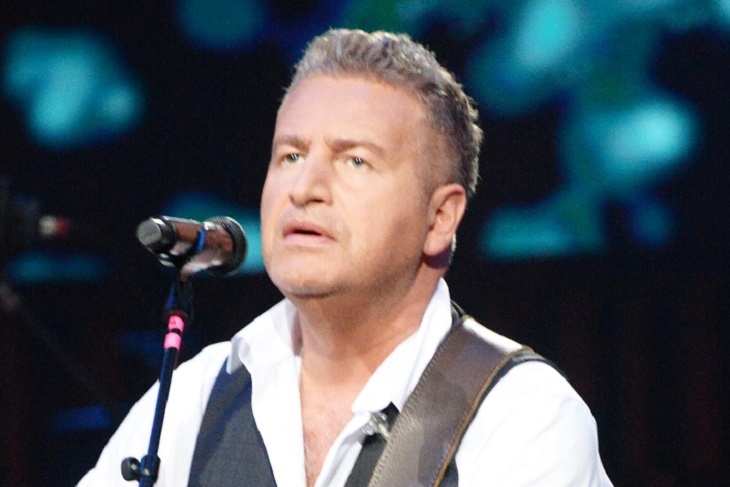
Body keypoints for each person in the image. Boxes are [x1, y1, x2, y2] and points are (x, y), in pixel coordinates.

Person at [78, 28, 613, 486]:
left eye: (355, 161)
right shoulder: (195, 400)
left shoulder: (524, 417)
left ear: (439, 219)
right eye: (291, 155)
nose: (305, 188)